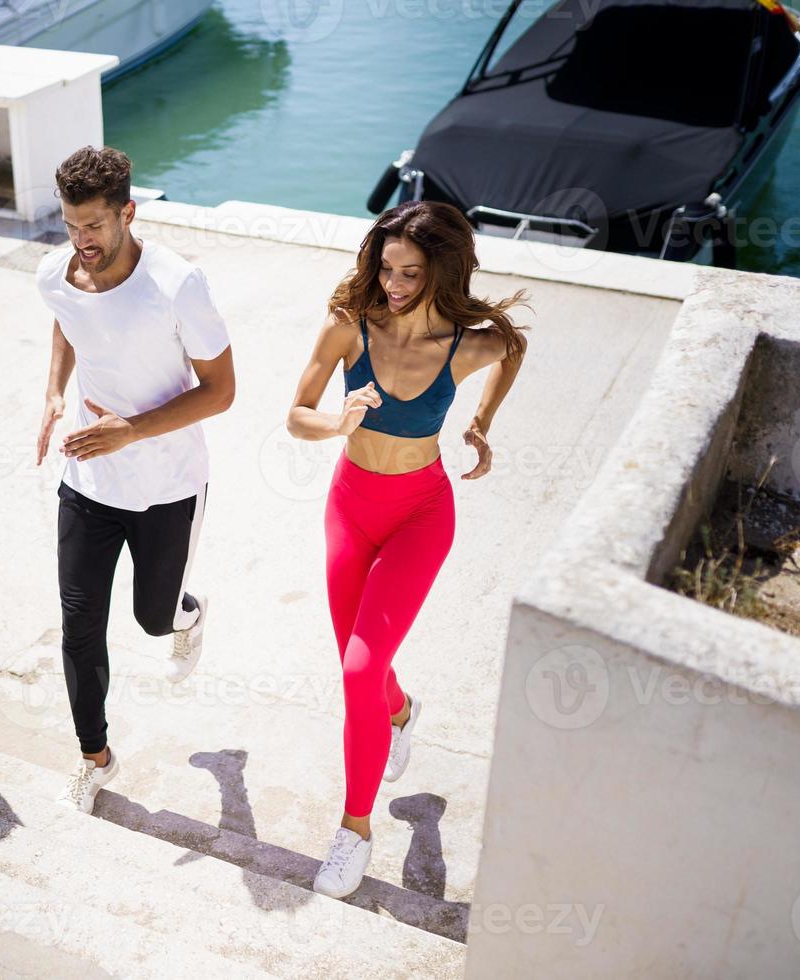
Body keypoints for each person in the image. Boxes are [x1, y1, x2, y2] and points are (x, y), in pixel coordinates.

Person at [285, 200, 530, 897]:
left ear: (443, 270)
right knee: (361, 667)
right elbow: (296, 414)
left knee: (359, 672)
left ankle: (353, 831)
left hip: (422, 514)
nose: (392, 283)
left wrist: (480, 424)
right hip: (351, 508)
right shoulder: (349, 326)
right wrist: (338, 422)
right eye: (386, 268)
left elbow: (514, 350)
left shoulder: (467, 343)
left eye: (410, 272)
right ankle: (400, 713)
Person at [34, 145, 236, 814]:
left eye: (93, 225)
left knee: (153, 620)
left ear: (128, 210)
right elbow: (69, 321)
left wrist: (132, 430)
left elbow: (221, 391)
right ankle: (96, 756)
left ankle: (187, 610)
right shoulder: (54, 274)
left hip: (169, 484)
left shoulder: (179, 284)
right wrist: (53, 394)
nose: (81, 241)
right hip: (89, 482)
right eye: (69, 225)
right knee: (78, 626)